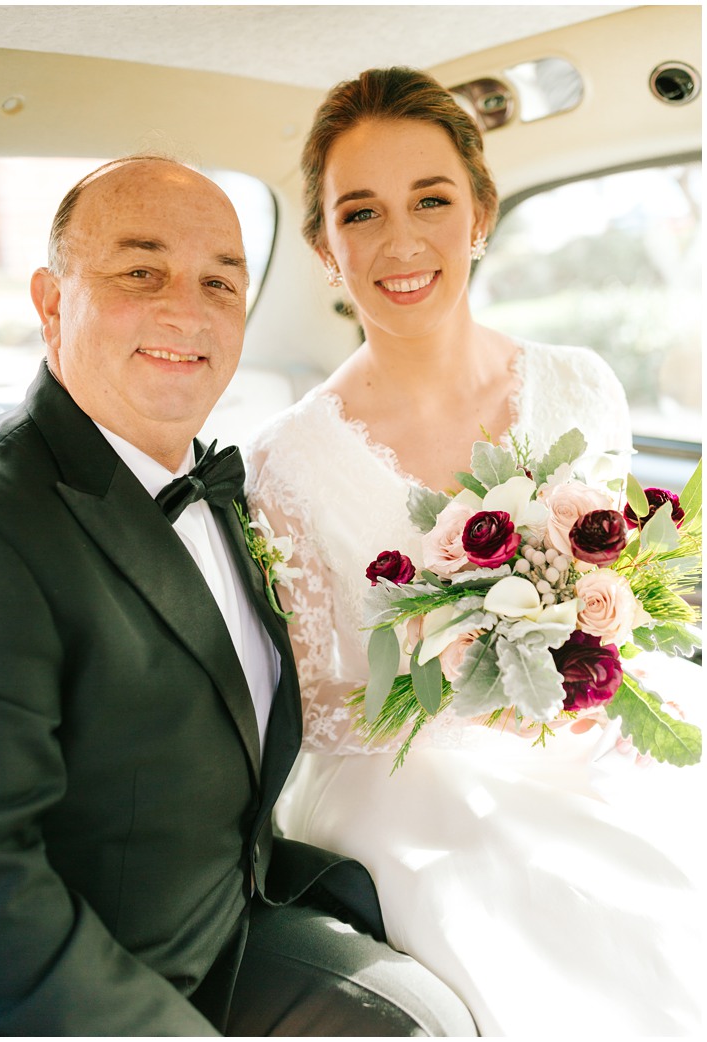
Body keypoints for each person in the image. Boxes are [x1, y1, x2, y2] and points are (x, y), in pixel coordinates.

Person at [0, 155, 474, 1036]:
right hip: (101, 985)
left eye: (221, 282)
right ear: (53, 302)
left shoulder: (227, 484)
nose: (188, 308)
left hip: (233, 918)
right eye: (141, 272)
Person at [246, 67, 706, 1035]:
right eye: (360, 213)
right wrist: (475, 694)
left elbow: (614, 592)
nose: (401, 241)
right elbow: (326, 713)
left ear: (481, 214)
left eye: (432, 200)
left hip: (586, 728)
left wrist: (584, 683)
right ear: (326, 248)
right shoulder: (287, 460)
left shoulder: (581, 386)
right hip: (412, 771)